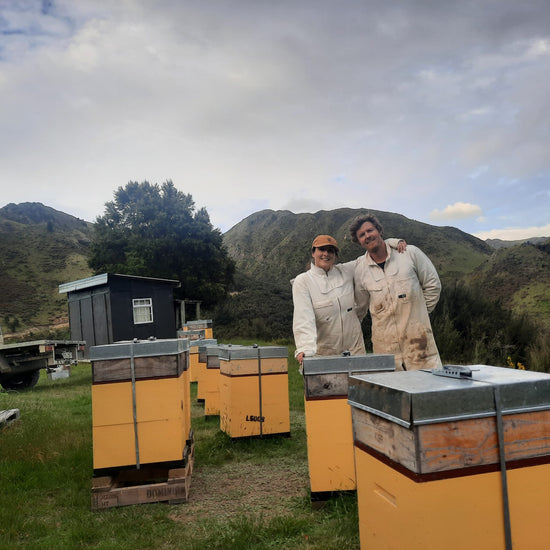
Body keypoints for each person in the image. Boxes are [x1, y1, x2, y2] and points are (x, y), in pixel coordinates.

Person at [292, 233, 404, 366]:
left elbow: (368, 256)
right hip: (326, 354)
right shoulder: (303, 281)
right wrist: (305, 348)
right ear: (313, 252)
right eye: (322, 249)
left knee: (358, 387)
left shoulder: (345, 271)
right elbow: (303, 317)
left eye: (331, 250)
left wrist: (393, 241)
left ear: (335, 255)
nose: (326, 254)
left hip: (355, 350)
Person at [350, 214, 442, 371]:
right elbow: (360, 307)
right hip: (385, 352)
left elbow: (433, 285)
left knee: (427, 391)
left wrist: (419, 315)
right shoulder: (360, 270)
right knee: (393, 394)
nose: (367, 236)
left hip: (419, 346)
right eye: (362, 235)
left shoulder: (409, 253)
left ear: (379, 230)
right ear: (359, 241)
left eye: (370, 230)